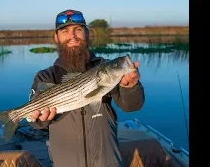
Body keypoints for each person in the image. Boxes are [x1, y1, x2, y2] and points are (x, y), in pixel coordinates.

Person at [27, 9, 145, 167]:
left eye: (78, 29)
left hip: (108, 161)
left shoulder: (106, 67)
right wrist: (39, 120)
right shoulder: (45, 76)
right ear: (56, 38)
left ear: (87, 34)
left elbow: (132, 106)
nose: (72, 36)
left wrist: (130, 86)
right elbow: (34, 123)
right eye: (65, 31)